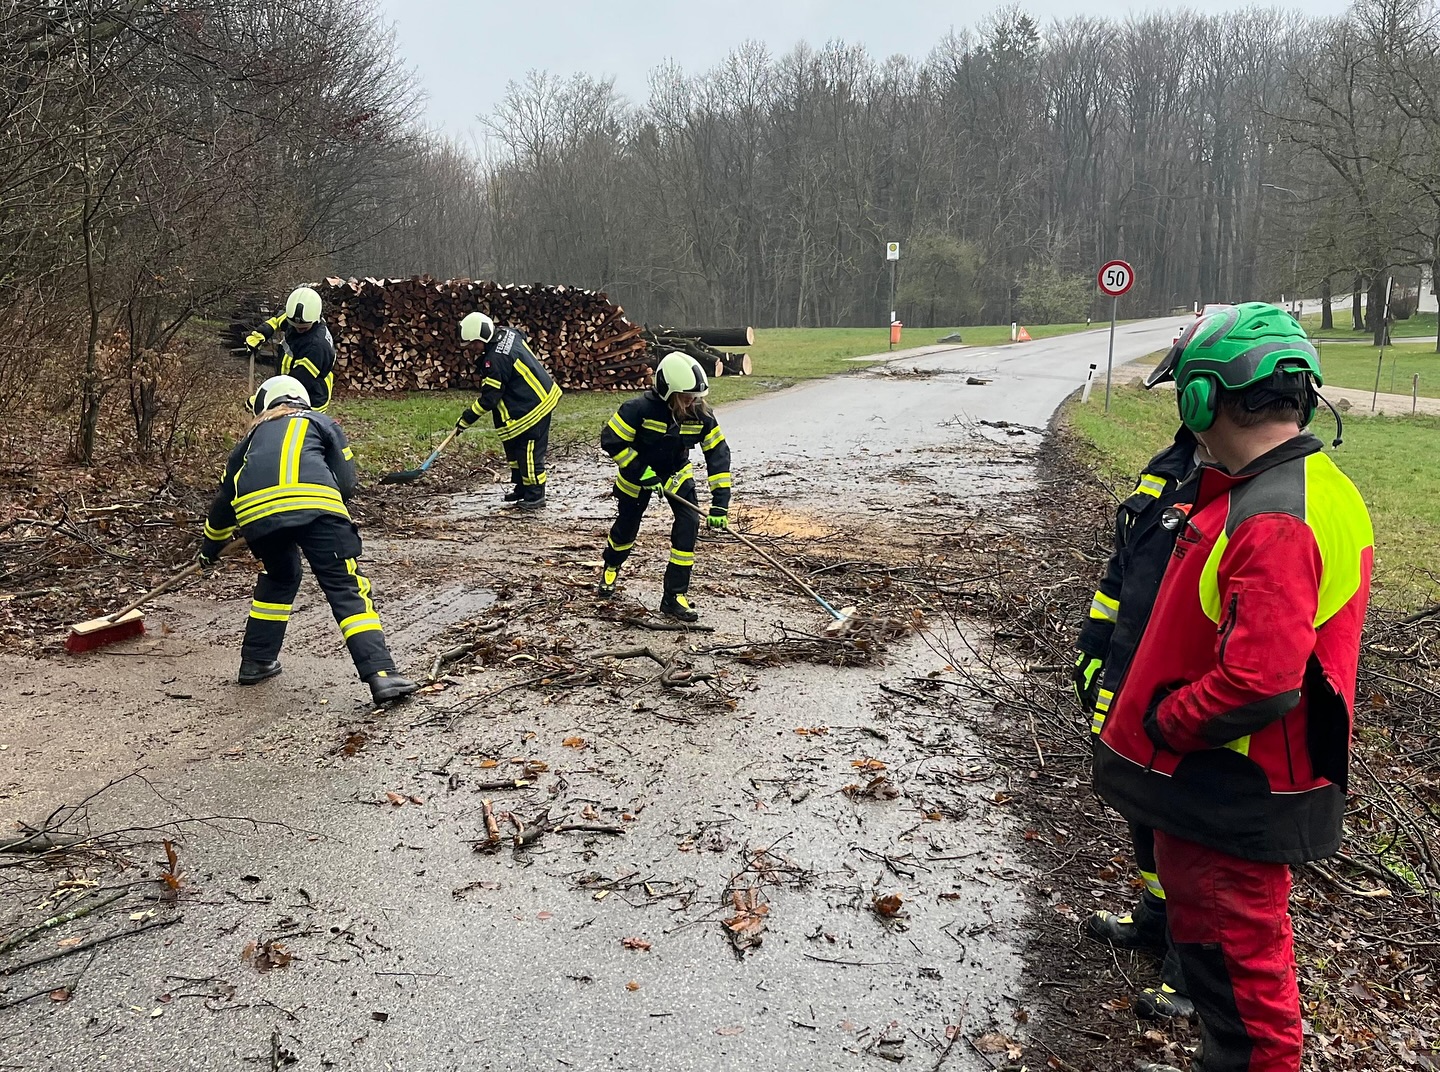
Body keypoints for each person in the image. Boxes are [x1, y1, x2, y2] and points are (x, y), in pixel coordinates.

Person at [1094, 303, 1372, 1072]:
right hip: (1225, 789)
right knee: (1228, 976)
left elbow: (1259, 680)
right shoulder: (1291, 487)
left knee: (1244, 999)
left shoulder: (1273, 516)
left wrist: (1166, 721)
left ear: (1202, 399)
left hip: (1232, 786)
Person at [1075, 423, 1202, 1022]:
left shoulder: (1244, 483)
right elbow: (1124, 566)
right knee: (1137, 798)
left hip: (1184, 684)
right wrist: (1095, 641)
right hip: (1131, 664)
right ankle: (1156, 917)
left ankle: (1191, 965)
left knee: (1187, 820)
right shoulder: (1169, 467)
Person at [198, 375, 418, 706]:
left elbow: (224, 502)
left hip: (259, 519)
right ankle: (382, 675)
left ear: (265, 405)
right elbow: (347, 483)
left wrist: (210, 548)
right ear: (301, 399)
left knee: (280, 577)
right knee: (344, 586)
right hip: (318, 512)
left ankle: (256, 662)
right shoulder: (321, 421)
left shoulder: (249, 438)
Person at [597, 351, 732, 623]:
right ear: (667, 391)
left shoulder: (700, 414)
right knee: (627, 526)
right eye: (686, 396)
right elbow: (611, 441)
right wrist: (640, 471)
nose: (692, 401)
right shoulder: (637, 410)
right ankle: (611, 565)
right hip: (637, 476)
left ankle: (674, 596)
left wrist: (720, 503)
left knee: (688, 524)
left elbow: (718, 453)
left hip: (675, 473)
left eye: (695, 396)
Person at [451, 311, 562, 509]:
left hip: (532, 407)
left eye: (473, 343)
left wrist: (466, 419)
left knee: (527, 452)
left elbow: (489, 399)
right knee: (514, 449)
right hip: (531, 399)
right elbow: (522, 335)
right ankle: (522, 488)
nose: (472, 349)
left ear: (482, 337)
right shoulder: (506, 332)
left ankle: (535, 495)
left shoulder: (495, 360)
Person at [245, 286, 336, 413]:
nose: (298, 329)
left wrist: (265, 399)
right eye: (295, 326)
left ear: (316, 319)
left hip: (309, 399)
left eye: (303, 328)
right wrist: (261, 334)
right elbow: (277, 321)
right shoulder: (296, 318)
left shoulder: (317, 347)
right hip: (289, 388)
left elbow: (296, 382)